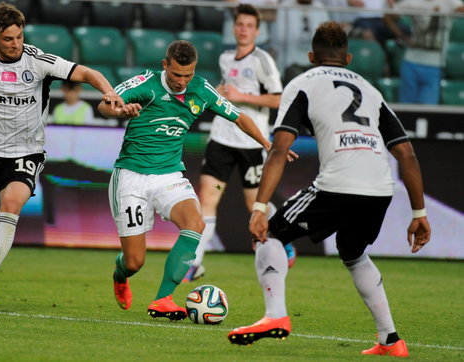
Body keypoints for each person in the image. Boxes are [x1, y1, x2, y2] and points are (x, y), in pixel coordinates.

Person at [227, 22, 431, 358]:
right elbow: (406, 153)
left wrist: (260, 206)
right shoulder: (371, 89)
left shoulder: (302, 84)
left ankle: (275, 316)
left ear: (311, 56)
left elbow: (279, 149)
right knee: (353, 252)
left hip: (338, 183)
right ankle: (391, 341)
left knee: (271, 234)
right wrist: (419, 213)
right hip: (380, 187)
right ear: (349, 58)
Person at [0, 2, 127, 309]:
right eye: (8, 39)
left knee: (11, 206)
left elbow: (87, 72)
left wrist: (109, 91)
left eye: (19, 37)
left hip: (26, 153)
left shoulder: (38, 61)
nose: (15, 44)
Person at [97, 40, 272, 320]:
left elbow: (239, 118)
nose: (181, 81)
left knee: (196, 222)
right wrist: (120, 109)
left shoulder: (201, 90)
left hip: (169, 175)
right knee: (134, 262)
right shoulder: (145, 83)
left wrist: (266, 142)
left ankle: (163, 298)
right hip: (131, 177)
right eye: (176, 74)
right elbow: (106, 104)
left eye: (187, 75)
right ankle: (120, 275)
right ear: (165, 65)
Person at [184, 3, 296, 283]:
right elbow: (228, 94)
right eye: (239, 25)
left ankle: (286, 237)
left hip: (250, 143)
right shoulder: (225, 58)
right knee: (207, 199)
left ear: (257, 31)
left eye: (249, 26)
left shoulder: (262, 60)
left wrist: (241, 97)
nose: (243, 30)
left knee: (254, 206)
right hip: (221, 138)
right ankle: (195, 263)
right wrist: (221, 94)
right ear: (233, 28)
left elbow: (278, 98)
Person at [384, 0, 464, 104]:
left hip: (435, 65)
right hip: (410, 62)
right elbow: (388, 17)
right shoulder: (411, 3)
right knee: (406, 110)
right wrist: (401, 36)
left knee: (428, 110)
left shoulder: (449, 2)